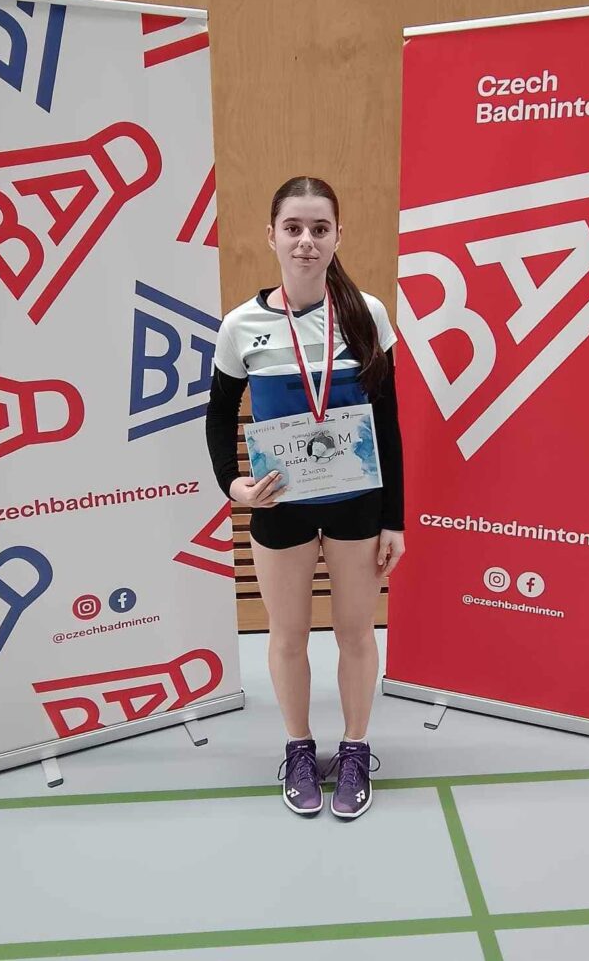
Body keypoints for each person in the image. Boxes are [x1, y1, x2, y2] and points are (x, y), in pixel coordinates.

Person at [206, 176, 405, 820]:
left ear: (338, 236)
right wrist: (233, 484)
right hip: (280, 503)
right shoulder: (241, 325)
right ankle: (298, 748)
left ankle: (355, 749)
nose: (306, 241)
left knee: (354, 632)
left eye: (320, 229)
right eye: (293, 228)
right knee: (288, 635)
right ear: (271, 236)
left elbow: (388, 421)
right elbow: (217, 416)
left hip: (356, 504)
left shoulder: (367, 314)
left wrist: (395, 518)